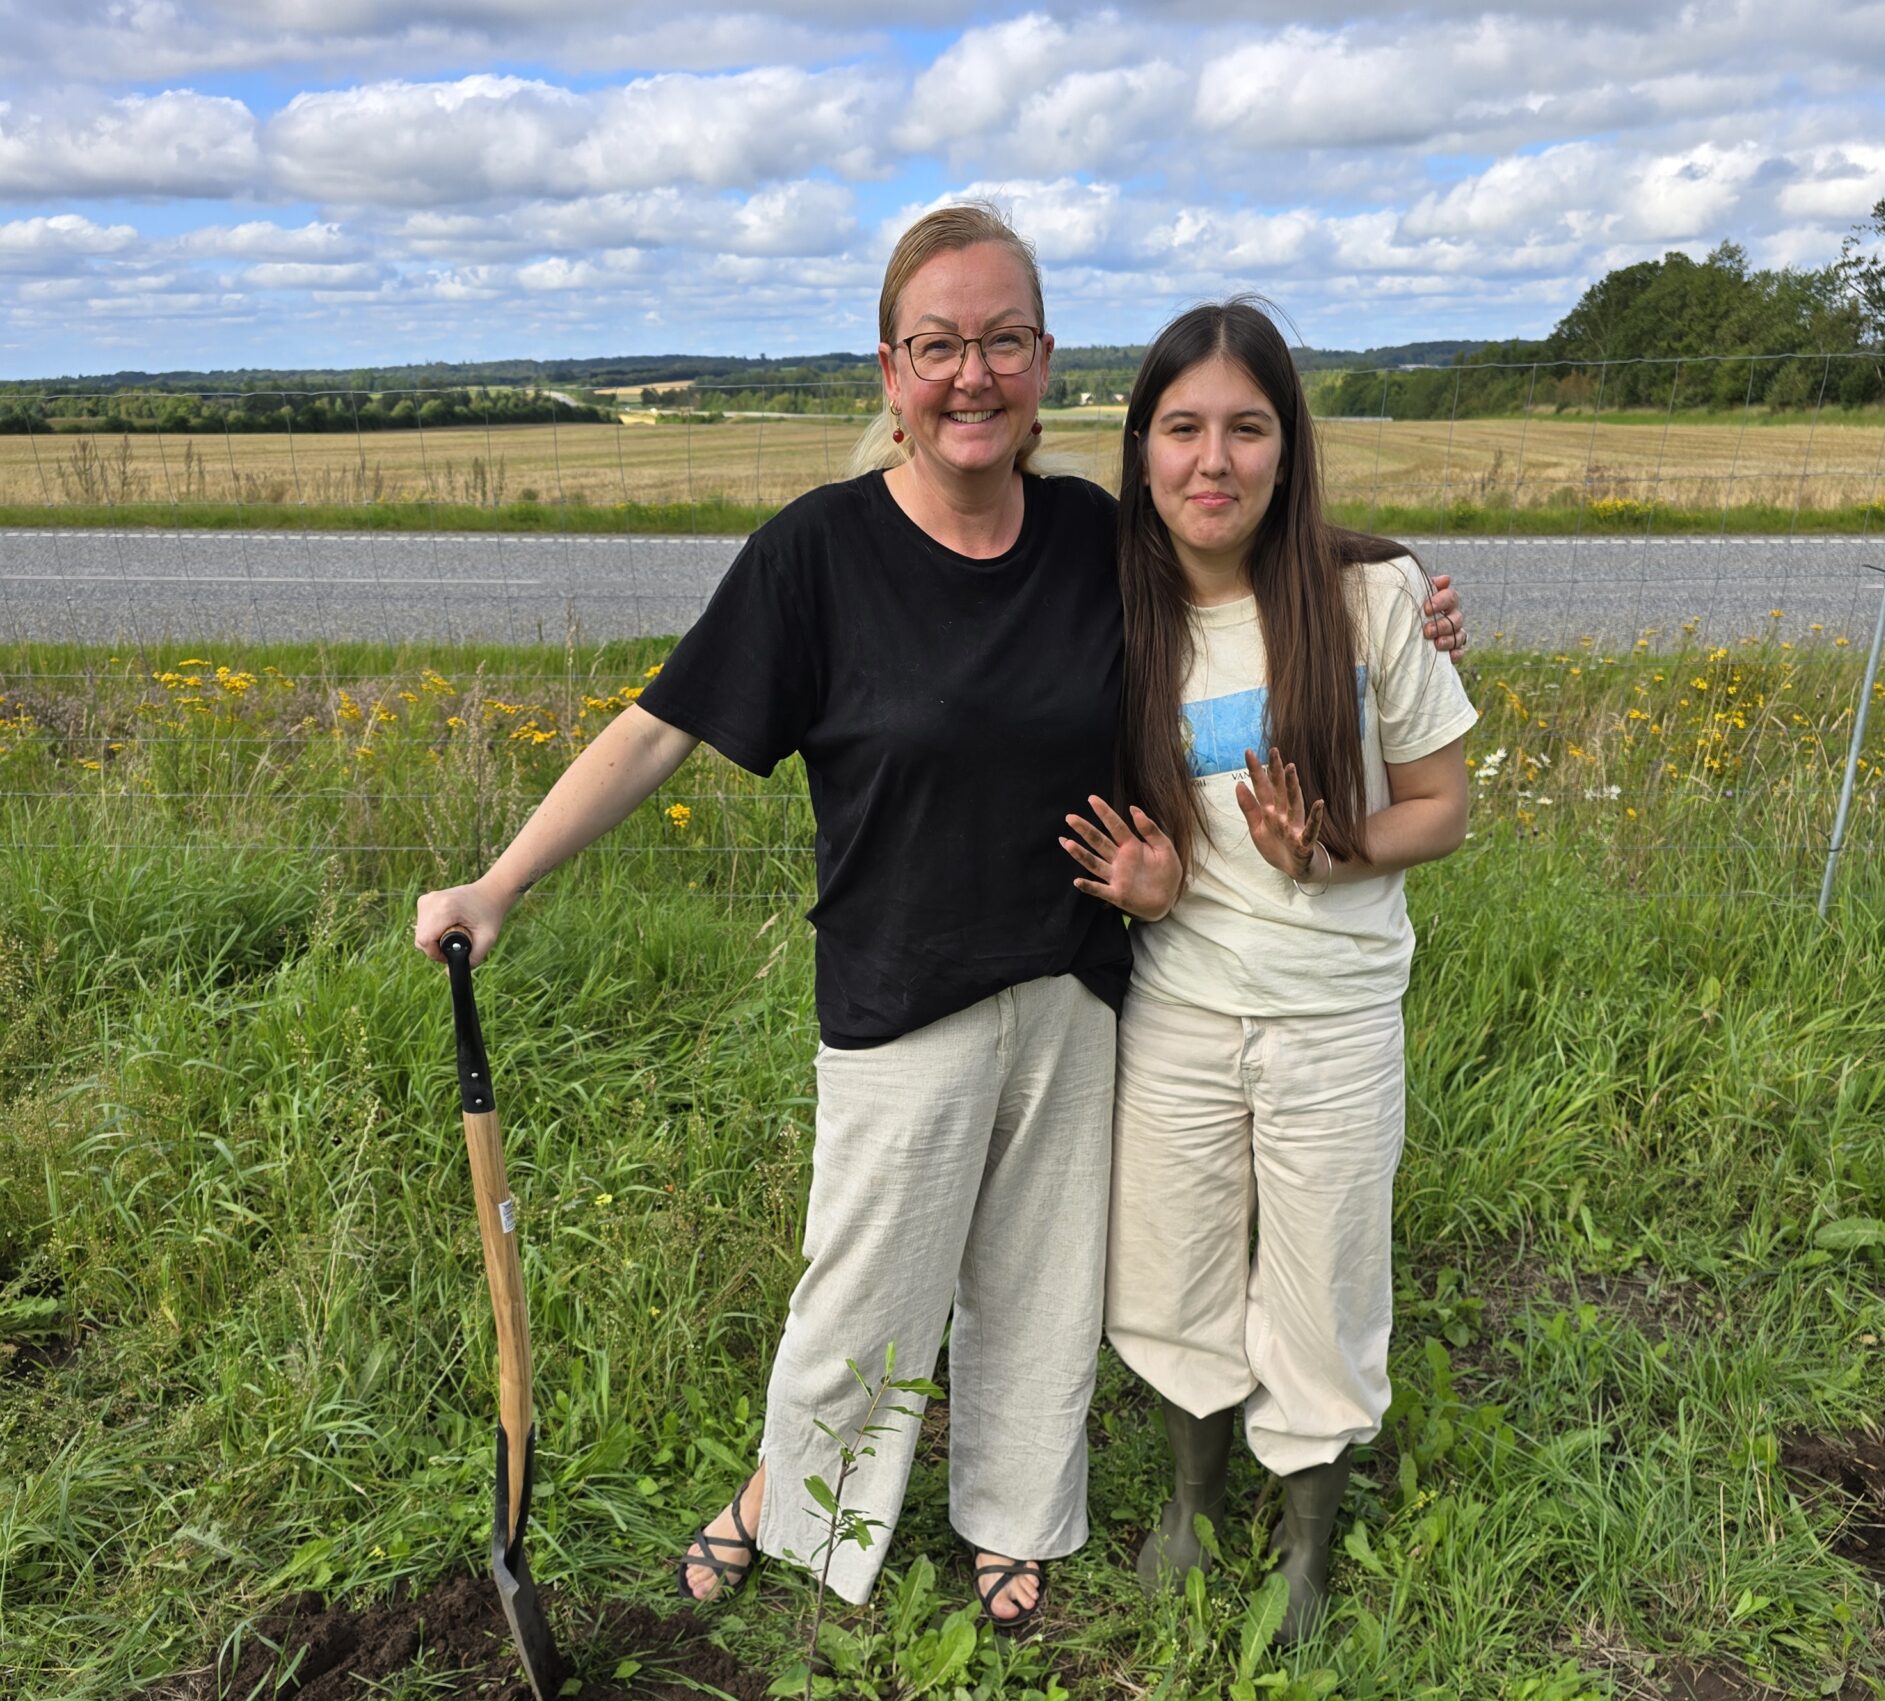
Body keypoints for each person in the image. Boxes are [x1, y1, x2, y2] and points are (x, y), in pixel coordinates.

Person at [415, 210, 1464, 1629]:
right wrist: (501, 878)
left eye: (1004, 344)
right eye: (939, 347)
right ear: (891, 370)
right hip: (901, 980)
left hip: (1083, 979)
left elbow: (1247, 544)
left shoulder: (1096, 538)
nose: (973, 376)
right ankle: (792, 1501)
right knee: (865, 1283)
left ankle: (1014, 1520)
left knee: (1041, 1285)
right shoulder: (819, 555)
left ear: (1042, 364)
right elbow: (662, 729)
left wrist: (1405, 593)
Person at [1064, 299, 1476, 1641]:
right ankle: (1189, 1502)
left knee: (1324, 1269)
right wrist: (1153, 886)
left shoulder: (1370, 601)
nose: (1213, 461)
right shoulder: (1112, 611)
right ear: (1139, 449)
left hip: (1336, 1020)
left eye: (1248, 428)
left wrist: (1330, 855)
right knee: (1174, 1262)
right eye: (1182, 428)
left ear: (1290, 450)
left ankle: (1306, 1539)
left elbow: (1442, 807)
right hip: (1179, 1005)